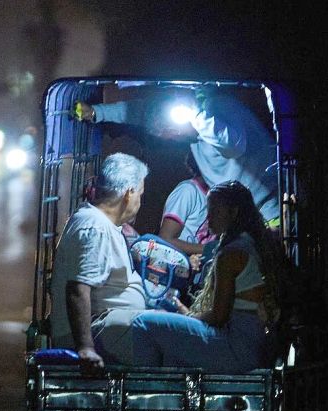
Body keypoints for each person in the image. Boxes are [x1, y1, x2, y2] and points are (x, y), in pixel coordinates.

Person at [76, 88, 279, 249]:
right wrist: (96, 112)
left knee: (272, 258)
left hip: (269, 204)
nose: (170, 136)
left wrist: (196, 116)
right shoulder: (192, 138)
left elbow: (234, 146)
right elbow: (140, 112)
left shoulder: (217, 109)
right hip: (238, 215)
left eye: (169, 131)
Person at [130, 181, 281, 373]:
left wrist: (188, 315)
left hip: (236, 348)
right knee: (171, 341)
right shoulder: (251, 243)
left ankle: (147, 388)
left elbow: (218, 317)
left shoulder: (232, 254)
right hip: (251, 345)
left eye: (215, 211)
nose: (209, 217)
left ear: (233, 213)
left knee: (142, 323)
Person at [49, 152, 149, 371]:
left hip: (112, 328)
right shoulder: (96, 227)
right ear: (129, 193)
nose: (140, 202)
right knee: (174, 331)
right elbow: (78, 289)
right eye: (140, 194)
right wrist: (86, 348)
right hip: (100, 333)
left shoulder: (104, 224)